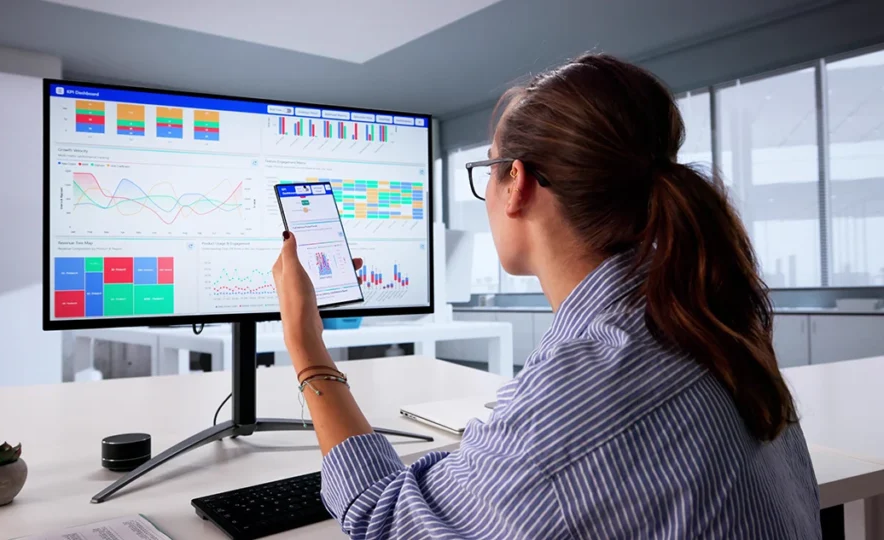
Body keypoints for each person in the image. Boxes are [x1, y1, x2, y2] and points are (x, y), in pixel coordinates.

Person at [271, 53, 820, 539]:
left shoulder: (583, 394)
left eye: (488, 168)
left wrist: (304, 341)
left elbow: (385, 517)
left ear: (517, 182)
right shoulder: (705, 321)